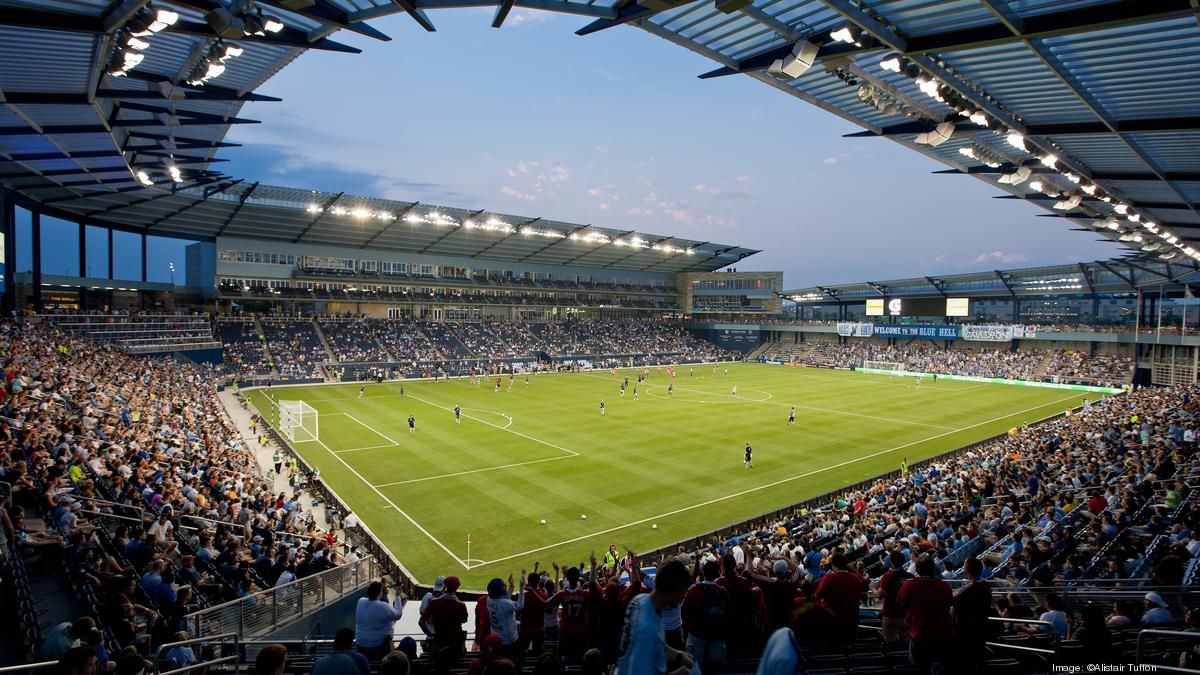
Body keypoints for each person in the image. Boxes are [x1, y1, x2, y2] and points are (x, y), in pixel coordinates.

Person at [615, 559, 695, 675]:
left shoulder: (639, 600)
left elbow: (652, 643)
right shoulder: (648, 628)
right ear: (675, 591)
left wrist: (678, 655)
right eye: (683, 593)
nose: (682, 598)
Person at [897, 555, 953, 666]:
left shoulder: (909, 585)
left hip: (920, 633)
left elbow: (901, 604)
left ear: (917, 569)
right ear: (933, 569)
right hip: (942, 633)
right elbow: (949, 604)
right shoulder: (944, 585)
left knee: (919, 666)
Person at [681, 560, 732, 668]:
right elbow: (729, 612)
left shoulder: (693, 590)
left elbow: (684, 611)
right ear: (717, 573)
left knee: (694, 667)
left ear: (703, 574)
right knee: (717, 668)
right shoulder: (723, 591)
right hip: (717, 635)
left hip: (697, 635)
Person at [421, 576, 468, 674]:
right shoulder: (461, 605)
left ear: (445, 587)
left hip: (438, 645)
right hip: (455, 648)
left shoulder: (434, 603)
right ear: (457, 587)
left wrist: (431, 634)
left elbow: (421, 622)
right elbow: (464, 620)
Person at [953, 557, 992, 666]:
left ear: (966, 570)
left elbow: (952, 601)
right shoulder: (986, 585)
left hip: (966, 629)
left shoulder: (968, 588)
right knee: (978, 657)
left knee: (965, 660)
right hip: (981, 626)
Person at [355, 580, 406, 660]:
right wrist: (397, 596)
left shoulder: (360, 601)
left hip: (360, 646)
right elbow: (398, 614)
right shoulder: (382, 606)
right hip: (379, 647)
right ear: (379, 593)